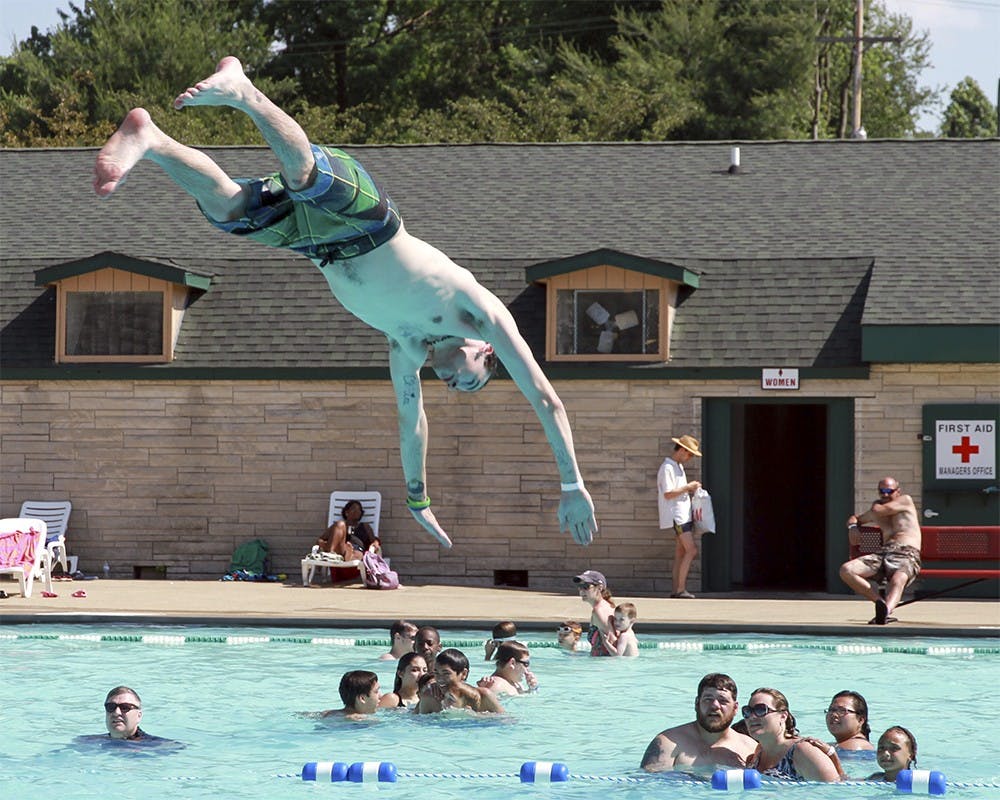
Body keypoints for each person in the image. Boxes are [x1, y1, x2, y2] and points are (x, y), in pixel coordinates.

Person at [92, 56, 598, 551]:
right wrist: (572, 485)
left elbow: (413, 424)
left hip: (315, 244)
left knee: (228, 207)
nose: (452, 385)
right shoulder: (482, 313)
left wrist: (418, 499)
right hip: (368, 220)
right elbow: (545, 398)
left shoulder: (408, 349)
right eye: (467, 380)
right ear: (484, 353)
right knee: (305, 177)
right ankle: (244, 91)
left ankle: (150, 139)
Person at [840, 477, 922, 624]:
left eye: (888, 491)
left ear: (898, 491)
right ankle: (880, 604)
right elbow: (854, 518)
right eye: (881, 491)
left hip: (906, 552)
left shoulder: (905, 501)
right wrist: (852, 528)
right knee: (847, 570)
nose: (884, 495)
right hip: (883, 553)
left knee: (898, 579)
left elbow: (881, 510)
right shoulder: (876, 510)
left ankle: (885, 614)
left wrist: (874, 507)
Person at [640, 673, 758, 774]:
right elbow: (649, 787)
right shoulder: (667, 744)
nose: (715, 706)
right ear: (697, 703)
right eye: (708, 699)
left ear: (735, 708)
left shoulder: (750, 749)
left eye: (723, 701)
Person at [742, 687, 844, 782]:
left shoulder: (803, 751)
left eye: (760, 710)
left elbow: (835, 790)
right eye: (747, 711)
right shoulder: (758, 752)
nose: (751, 717)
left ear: (783, 716)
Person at [657, 435, 703, 598]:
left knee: (681, 552)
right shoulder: (668, 467)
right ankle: (680, 589)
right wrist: (688, 487)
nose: (689, 458)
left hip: (682, 514)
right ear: (682, 450)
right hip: (677, 516)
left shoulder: (677, 467)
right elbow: (668, 494)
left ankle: (677, 589)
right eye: (689, 454)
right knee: (691, 550)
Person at [414, 648, 504, 714]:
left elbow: (506, 721)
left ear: (464, 674)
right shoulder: (430, 697)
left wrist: (473, 716)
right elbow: (419, 726)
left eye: (446, 673)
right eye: (436, 673)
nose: (440, 679)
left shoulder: (483, 696)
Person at [573, 570, 616, 657]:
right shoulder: (606, 605)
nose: (581, 591)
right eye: (579, 586)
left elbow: (614, 643)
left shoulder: (599, 611)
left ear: (600, 587)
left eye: (586, 586)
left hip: (603, 666)